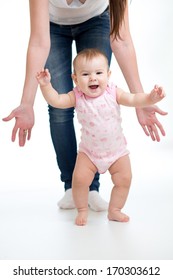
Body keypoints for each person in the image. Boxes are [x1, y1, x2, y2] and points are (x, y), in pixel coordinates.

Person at [3, 1, 167, 211]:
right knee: (60, 108)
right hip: (52, 26)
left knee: (95, 97)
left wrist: (141, 102)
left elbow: (122, 40)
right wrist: (27, 103)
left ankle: (92, 188)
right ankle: (72, 186)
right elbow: (38, 43)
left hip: (97, 21)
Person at [36, 48, 165, 225]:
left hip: (117, 152)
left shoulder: (114, 92)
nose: (93, 78)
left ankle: (115, 210)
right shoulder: (76, 96)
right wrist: (45, 85)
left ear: (108, 74)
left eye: (98, 73)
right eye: (85, 74)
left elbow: (135, 99)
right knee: (79, 180)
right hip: (89, 153)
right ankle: (82, 210)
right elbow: (56, 101)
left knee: (124, 179)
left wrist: (151, 98)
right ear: (75, 79)